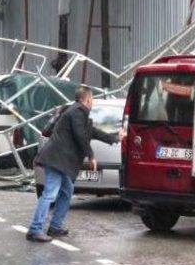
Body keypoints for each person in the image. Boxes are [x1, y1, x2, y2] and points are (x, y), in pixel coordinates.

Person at [26, 86, 125, 242]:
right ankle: (35, 229)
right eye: (92, 99)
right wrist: (91, 156)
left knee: (66, 191)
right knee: (50, 193)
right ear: (87, 99)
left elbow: (93, 132)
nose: (92, 102)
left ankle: (55, 226)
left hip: (61, 161)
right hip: (56, 159)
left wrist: (116, 138)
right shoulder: (76, 113)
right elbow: (81, 136)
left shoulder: (79, 114)